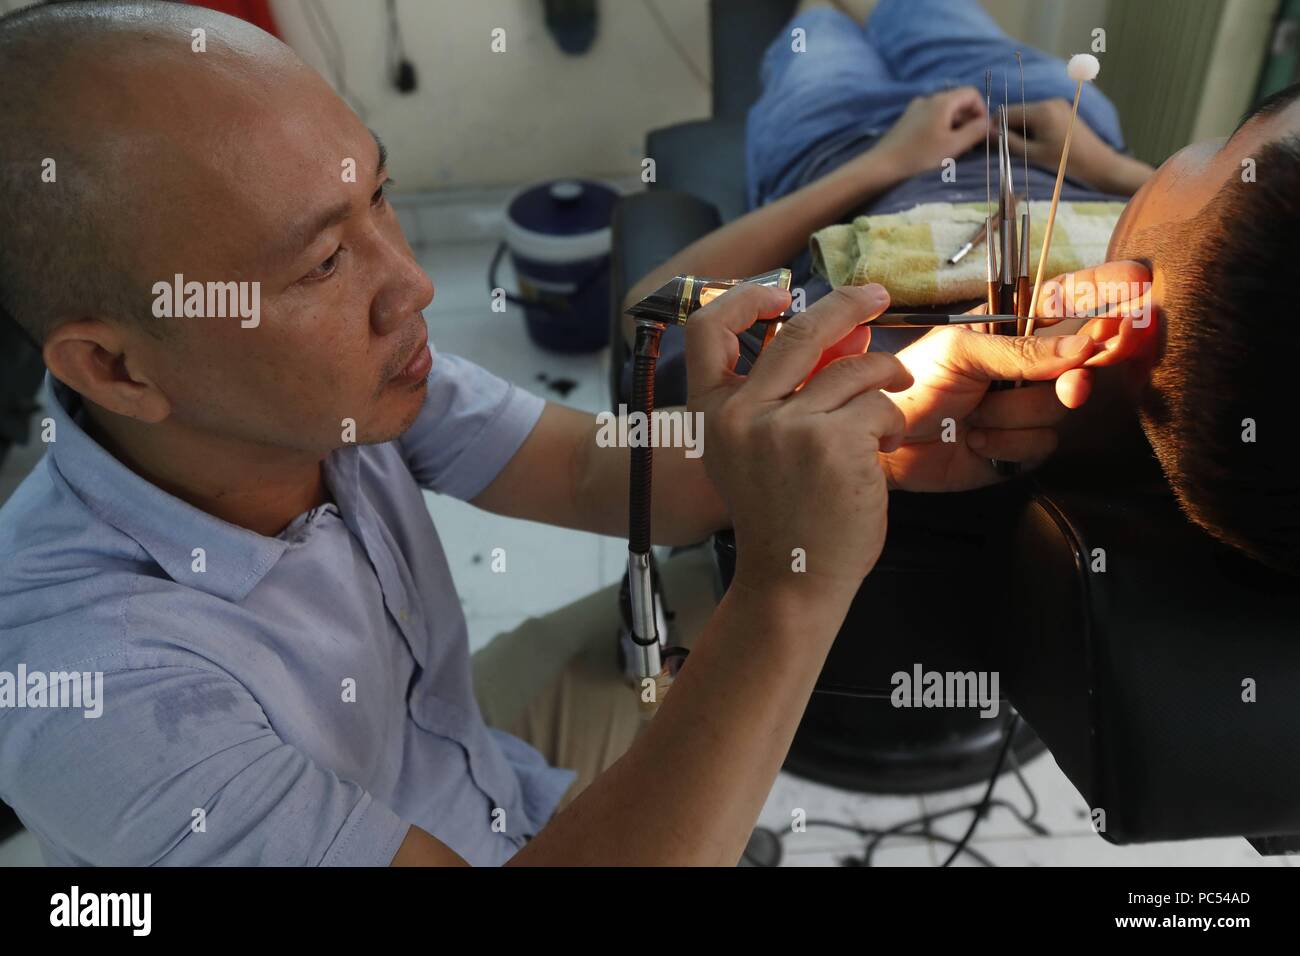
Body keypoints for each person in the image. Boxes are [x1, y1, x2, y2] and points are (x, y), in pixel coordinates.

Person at [0, 1, 1111, 866]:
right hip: (442, 811)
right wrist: (790, 581)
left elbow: (590, 471)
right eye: (323, 261)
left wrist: (883, 408)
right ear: (115, 365)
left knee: (694, 625)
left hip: (461, 750)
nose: (412, 287)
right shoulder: (101, 698)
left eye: (379, 198)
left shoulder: (327, 386)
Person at [624, 0, 1300, 575]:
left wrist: (884, 161)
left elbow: (650, 309)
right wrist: (1116, 168)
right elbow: (1219, 239)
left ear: (1131, 322)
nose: (1187, 155)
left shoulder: (876, 356)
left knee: (822, 26)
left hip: (846, 144)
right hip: (1050, 123)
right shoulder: (1223, 394)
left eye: (1217, 146)